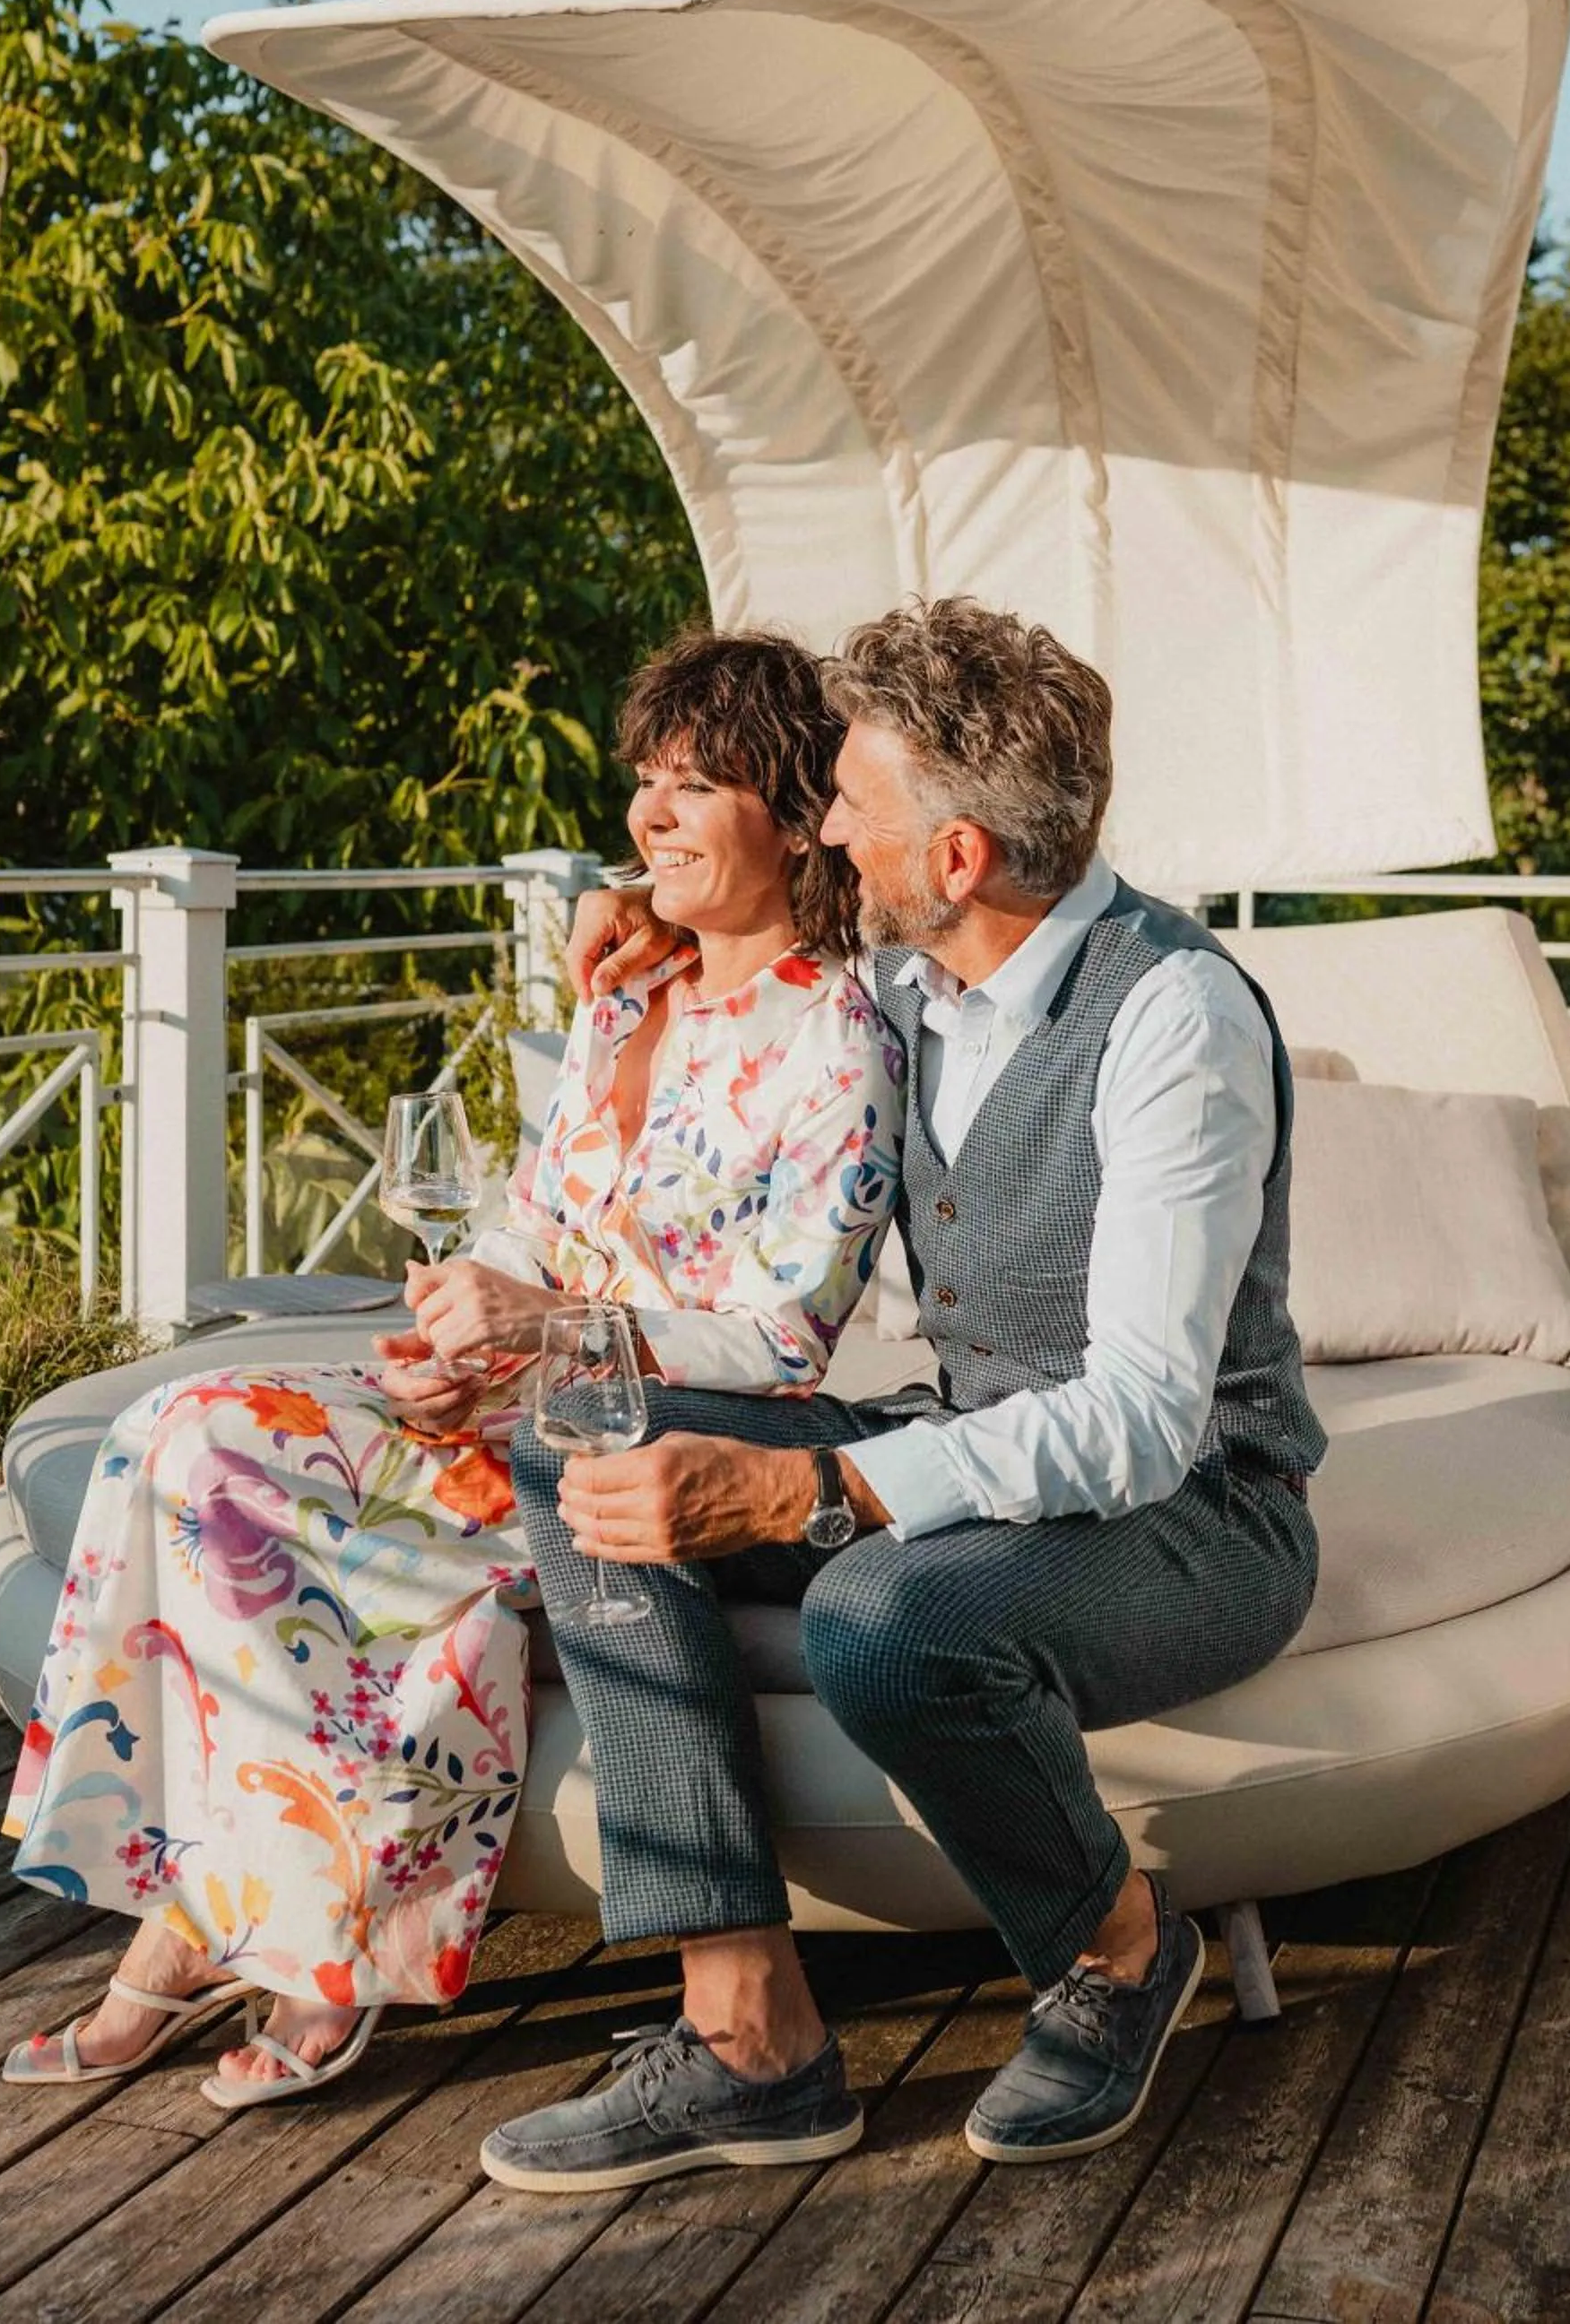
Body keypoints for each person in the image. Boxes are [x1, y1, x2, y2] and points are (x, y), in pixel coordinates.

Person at [480, 595, 1324, 2190]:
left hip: (1203, 1514)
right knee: (589, 1427)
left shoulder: (1172, 1017)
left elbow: (1145, 1418)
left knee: (885, 1616)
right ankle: (749, 2033)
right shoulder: (925, 977)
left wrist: (814, 1492)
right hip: (988, 1441)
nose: (823, 838)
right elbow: (748, 938)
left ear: (954, 859)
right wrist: (635, 908)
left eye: (848, 813)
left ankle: (1121, 1952)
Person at [0, 629, 902, 2109]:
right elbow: (537, 1229)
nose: (650, 817)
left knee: (336, 1541)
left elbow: (778, 1343)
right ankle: (201, 1909)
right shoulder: (626, 993)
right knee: (180, 1430)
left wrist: (538, 1335)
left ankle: (285, 1946)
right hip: (511, 1403)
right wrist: (455, 1337)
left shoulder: (840, 1038)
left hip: (640, 1435)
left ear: (801, 817)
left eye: (698, 784)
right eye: (646, 783)